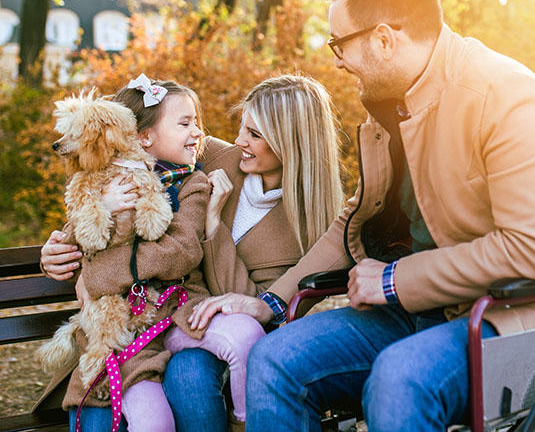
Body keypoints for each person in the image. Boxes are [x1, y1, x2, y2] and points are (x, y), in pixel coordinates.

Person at [243, 0, 535, 432]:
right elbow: (353, 223)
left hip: (512, 316)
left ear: (384, 39)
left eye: (337, 44)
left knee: (400, 378)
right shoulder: (391, 107)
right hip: (415, 311)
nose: (337, 60)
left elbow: (532, 250)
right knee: (273, 359)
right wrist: (273, 302)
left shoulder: (508, 97)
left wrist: (394, 280)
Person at [41, 74, 345, 432]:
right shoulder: (216, 155)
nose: (238, 140)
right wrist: (61, 247)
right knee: (105, 409)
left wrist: (213, 227)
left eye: (254, 135)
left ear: (291, 143)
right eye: (242, 128)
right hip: (134, 324)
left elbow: (252, 305)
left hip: (199, 326)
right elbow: (127, 125)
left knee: (191, 378)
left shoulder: (309, 232)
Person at [38, 75, 211, 432]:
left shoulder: (190, 181)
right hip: (108, 331)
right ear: (142, 136)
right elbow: (77, 234)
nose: (197, 132)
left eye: (197, 122)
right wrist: (58, 249)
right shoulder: (103, 177)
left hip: (159, 324)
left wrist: (96, 275)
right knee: (96, 407)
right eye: (185, 123)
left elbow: (179, 251)